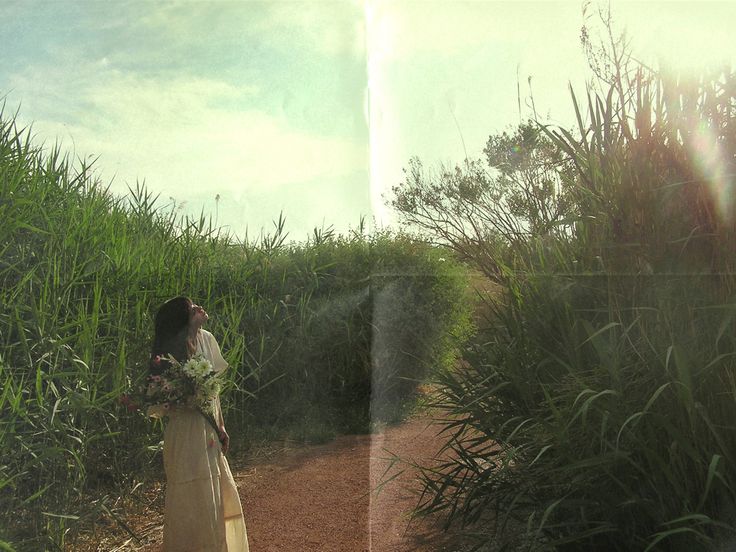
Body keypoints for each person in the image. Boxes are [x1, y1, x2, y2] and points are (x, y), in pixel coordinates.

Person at [149, 296, 249, 552]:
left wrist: (222, 426)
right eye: (193, 309)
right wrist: (182, 399)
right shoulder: (169, 352)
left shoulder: (207, 339)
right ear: (184, 320)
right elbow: (157, 404)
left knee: (215, 498)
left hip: (209, 432)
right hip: (184, 435)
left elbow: (214, 393)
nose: (200, 309)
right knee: (189, 501)